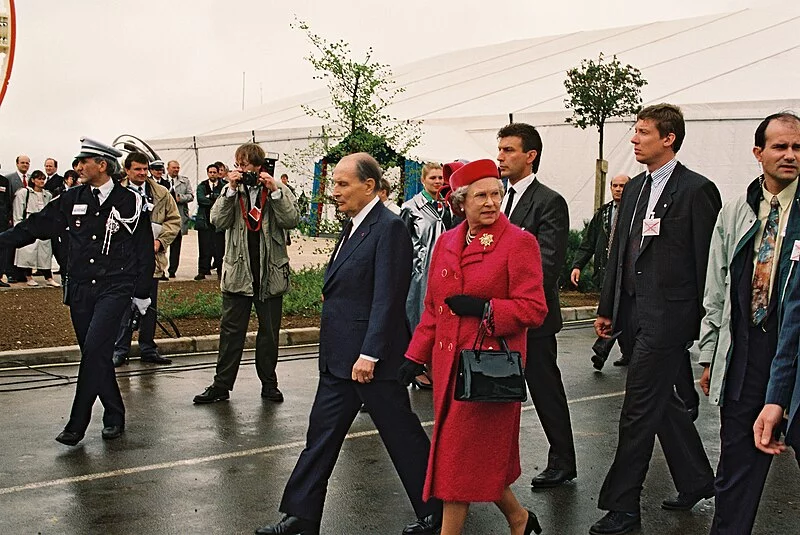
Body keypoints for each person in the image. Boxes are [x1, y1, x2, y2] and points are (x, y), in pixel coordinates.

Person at [255, 153, 441, 535]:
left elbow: (388, 297)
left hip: (371, 361)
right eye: (333, 183)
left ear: (368, 186)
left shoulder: (388, 227)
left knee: (403, 438)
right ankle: (301, 518)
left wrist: (370, 353)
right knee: (320, 438)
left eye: (342, 184)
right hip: (340, 358)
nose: (333, 191)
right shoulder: (355, 224)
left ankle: (437, 513)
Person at [590, 104, 720, 535]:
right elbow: (619, 256)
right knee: (662, 404)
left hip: (668, 321)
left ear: (669, 138)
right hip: (633, 316)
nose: (633, 139)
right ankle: (698, 479)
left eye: (643, 132)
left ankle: (623, 508)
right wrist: (608, 309)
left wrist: (701, 327)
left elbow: (706, 264)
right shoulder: (635, 191)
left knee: (638, 411)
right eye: (634, 131)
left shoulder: (696, 190)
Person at [398, 159, 547, 535]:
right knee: (474, 460)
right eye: (481, 195)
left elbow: (534, 308)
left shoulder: (518, 242)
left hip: (487, 373)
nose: (491, 202)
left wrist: (486, 309)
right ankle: (519, 519)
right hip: (448, 370)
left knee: (455, 462)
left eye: (496, 193)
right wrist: (414, 355)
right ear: (461, 201)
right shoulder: (448, 241)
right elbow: (433, 309)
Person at [0, 137, 154, 446]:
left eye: (84, 162)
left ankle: (77, 423)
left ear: (102, 165)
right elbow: (35, 226)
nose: (78, 167)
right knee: (94, 354)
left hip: (115, 286)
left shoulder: (130, 202)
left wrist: (141, 295)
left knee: (96, 348)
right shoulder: (71, 199)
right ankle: (114, 413)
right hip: (82, 289)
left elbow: (142, 252)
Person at [697, 112, 800, 533]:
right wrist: (709, 355)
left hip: (793, 352)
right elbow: (716, 290)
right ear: (758, 153)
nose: (790, 155)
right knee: (736, 471)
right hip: (745, 355)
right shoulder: (738, 210)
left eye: (797, 147)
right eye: (780, 146)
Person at [496, 122, 577, 489]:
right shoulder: (493, 199)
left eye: (509, 150)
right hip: (496, 315)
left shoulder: (549, 202)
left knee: (545, 390)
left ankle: (563, 458)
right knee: (492, 391)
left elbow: (547, 264)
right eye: (500, 149)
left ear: (531, 156)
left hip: (533, 317)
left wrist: (503, 291)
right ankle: (492, 462)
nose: (501, 156)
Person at [193, 143, 298, 404]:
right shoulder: (231, 190)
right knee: (230, 333)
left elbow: (292, 220)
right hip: (238, 272)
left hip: (269, 273)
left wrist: (274, 192)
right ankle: (221, 386)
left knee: (269, 333)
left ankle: (269, 384)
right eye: (240, 165)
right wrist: (229, 191)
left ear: (261, 166)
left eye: (249, 166)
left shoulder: (278, 189)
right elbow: (217, 221)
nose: (244, 170)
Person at [113, 152, 181, 367]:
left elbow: (174, 220)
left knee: (149, 304)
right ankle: (120, 349)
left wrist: (160, 242)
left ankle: (148, 348)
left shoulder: (160, 193)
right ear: (127, 170)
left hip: (151, 258)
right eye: (137, 169)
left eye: (145, 169)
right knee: (122, 305)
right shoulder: (116, 191)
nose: (142, 173)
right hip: (123, 260)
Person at [401, 162, 454, 390]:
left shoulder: (448, 206)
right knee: (418, 317)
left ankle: (435, 365)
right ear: (423, 180)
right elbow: (402, 245)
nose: (437, 182)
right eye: (432, 177)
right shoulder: (411, 208)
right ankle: (418, 366)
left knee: (440, 318)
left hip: (445, 272)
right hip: (418, 274)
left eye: (441, 178)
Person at [571, 174, 631, 369]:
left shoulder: (634, 212)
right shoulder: (603, 213)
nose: (618, 189)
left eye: (623, 185)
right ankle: (627, 352)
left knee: (617, 310)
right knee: (617, 311)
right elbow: (588, 243)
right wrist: (577, 265)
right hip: (606, 271)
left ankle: (602, 350)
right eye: (615, 185)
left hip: (626, 272)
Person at [13, 170, 58, 287]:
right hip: (29, 221)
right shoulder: (24, 193)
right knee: (28, 251)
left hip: (43, 224)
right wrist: (18, 225)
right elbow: (18, 210)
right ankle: (28, 276)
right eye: (39, 179)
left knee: (45, 252)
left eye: (43, 179)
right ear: (33, 180)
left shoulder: (47, 195)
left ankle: (48, 277)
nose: (41, 181)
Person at [194, 163, 226, 280]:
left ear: (218, 173)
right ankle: (202, 270)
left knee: (220, 248)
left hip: (219, 223)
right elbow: (201, 199)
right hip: (205, 221)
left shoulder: (224, 185)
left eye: (214, 172)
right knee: (204, 247)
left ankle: (220, 271)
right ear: (207, 173)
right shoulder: (202, 185)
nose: (212, 174)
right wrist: (214, 199)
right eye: (210, 172)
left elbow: (224, 200)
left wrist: (212, 197)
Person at [165, 160, 193, 278]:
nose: (176, 170)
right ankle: (160, 269)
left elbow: (191, 195)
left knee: (176, 246)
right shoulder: (162, 181)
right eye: (174, 168)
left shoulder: (184, 181)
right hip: (165, 219)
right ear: (168, 168)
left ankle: (172, 270)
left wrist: (180, 198)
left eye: (178, 168)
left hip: (179, 217)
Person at [0, 170, 13, 287]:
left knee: (2, 248)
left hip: (1, 220)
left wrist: (8, 217)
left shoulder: (4, 181)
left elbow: (7, 200)